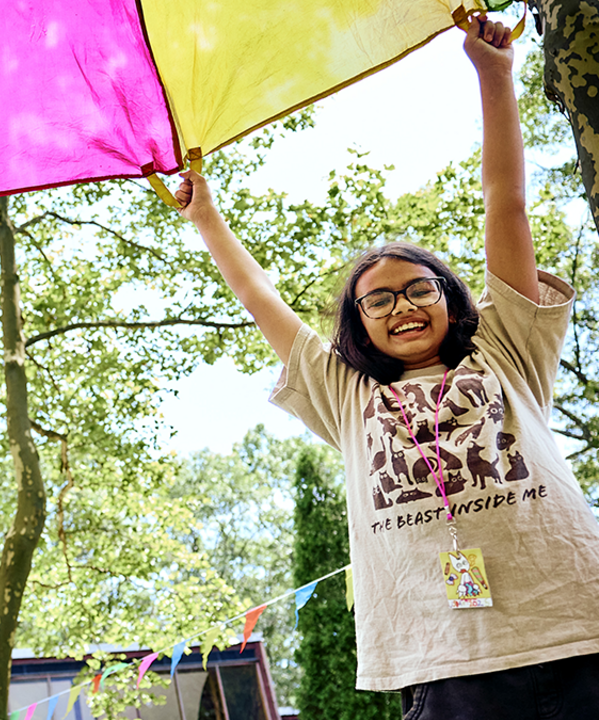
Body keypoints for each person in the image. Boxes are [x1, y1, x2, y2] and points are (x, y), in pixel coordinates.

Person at [175, 17, 599, 719]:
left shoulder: (509, 350)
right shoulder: (345, 393)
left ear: (450, 297)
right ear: (356, 323)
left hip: (575, 629)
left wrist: (495, 77)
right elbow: (260, 299)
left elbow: (508, 206)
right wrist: (206, 217)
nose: (401, 305)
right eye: (377, 299)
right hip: (443, 656)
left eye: (418, 288)